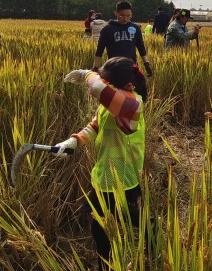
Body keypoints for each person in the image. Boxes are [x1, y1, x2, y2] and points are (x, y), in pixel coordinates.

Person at [56, 57, 148, 271]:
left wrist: (86, 74)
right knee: (103, 225)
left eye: (108, 82)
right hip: (104, 174)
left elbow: (97, 88)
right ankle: (107, 262)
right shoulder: (112, 104)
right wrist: (74, 141)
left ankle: (149, 231)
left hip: (123, 178)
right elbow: (96, 125)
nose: (102, 85)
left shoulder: (132, 105)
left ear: (127, 86)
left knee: (114, 223)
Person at [93, 1, 153, 77]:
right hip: (114, 68)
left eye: (128, 16)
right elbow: (100, 49)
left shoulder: (135, 28)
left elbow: (141, 47)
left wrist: (146, 64)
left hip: (131, 68)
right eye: (122, 15)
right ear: (116, 13)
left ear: (131, 14)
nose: (125, 19)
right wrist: (95, 67)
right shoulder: (107, 29)